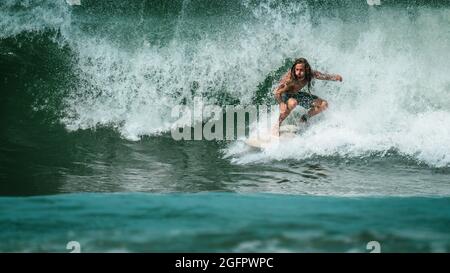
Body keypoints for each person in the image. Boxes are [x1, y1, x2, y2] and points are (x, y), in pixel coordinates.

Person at [272, 58, 343, 136]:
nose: (298, 73)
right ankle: (276, 126)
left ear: (306, 70)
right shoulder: (289, 79)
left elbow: (323, 76)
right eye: (297, 70)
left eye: (301, 70)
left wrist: (334, 77)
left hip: (296, 94)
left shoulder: (311, 74)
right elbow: (277, 93)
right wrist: (281, 103)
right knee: (293, 103)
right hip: (285, 95)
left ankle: (304, 118)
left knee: (324, 104)